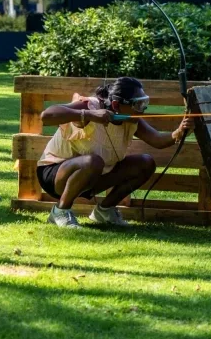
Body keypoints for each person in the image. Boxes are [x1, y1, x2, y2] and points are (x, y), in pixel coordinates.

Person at [37, 77, 193, 228]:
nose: (143, 109)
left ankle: (104, 212)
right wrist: (89, 114)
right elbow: (47, 116)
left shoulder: (131, 118)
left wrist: (179, 132)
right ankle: (60, 211)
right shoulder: (91, 106)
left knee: (145, 163)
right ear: (116, 104)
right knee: (93, 161)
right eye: (138, 104)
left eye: (144, 103)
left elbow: (157, 140)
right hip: (54, 175)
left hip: (93, 175)